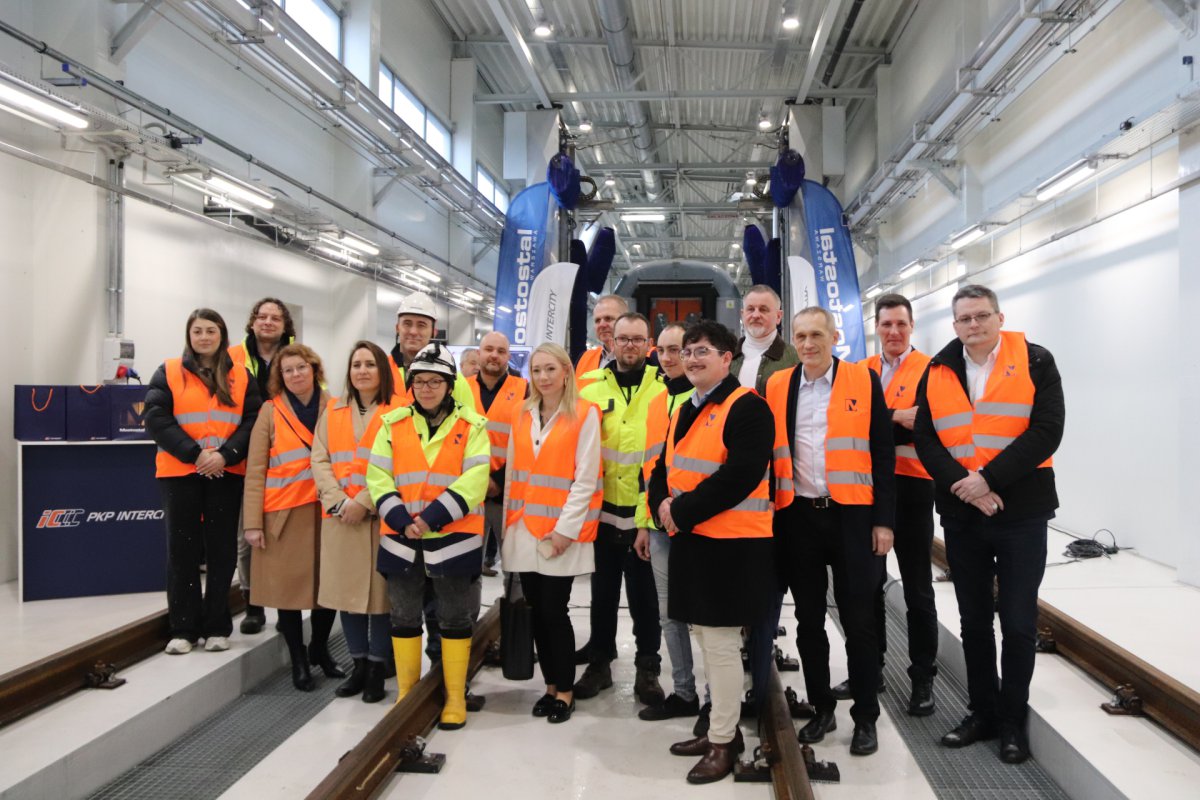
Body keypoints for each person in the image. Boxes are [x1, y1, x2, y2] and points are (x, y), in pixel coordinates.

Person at [913, 284, 1064, 764]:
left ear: (999, 317)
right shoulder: (937, 369)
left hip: (1021, 513)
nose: (973, 326)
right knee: (974, 621)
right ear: (954, 325)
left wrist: (989, 479)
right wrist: (966, 485)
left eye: (981, 316)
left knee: (1018, 624)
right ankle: (980, 712)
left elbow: (1047, 429)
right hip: (963, 514)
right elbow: (925, 437)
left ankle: (1011, 722)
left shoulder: (1036, 360)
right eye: (964, 319)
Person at [647, 320, 776, 784]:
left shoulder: (748, 408)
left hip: (732, 544)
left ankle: (723, 740)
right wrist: (660, 501)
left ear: (728, 358)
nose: (693, 358)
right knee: (704, 637)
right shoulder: (685, 408)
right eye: (688, 351)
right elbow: (664, 463)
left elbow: (740, 476)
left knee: (720, 646)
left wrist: (680, 511)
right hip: (693, 538)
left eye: (704, 351)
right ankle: (722, 728)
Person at [765, 306, 896, 756]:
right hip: (798, 516)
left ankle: (866, 717)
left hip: (852, 516)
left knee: (859, 621)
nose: (807, 344)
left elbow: (882, 452)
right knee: (807, 620)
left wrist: (884, 520)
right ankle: (822, 708)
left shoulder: (862, 380)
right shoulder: (778, 384)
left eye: (816, 334)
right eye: (800, 336)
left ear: (834, 335)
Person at [367, 342, 490, 728]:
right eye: (419, 381)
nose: (426, 388)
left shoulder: (473, 426)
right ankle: (408, 692)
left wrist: (432, 517)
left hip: (453, 536)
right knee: (403, 616)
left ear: (449, 384)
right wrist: (402, 518)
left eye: (435, 381)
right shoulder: (392, 423)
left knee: (454, 618)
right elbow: (377, 474)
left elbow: (476, 479)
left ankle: (454, 697)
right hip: (402, 536)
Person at [831, 293, 939, 716]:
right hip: (868, 490)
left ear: (912, 327)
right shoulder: (859, 371)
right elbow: (854, 426)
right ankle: (870, 670)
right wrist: (895, 417)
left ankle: (922, 678)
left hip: (913, 488)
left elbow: (927, 426)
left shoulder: (932, 370)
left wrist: (884, 419)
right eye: (887, 324)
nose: (894, 332)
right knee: (867, 587)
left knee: (917, 589)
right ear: (876, 327)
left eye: (901, 325)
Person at [146, 309, 261, 655]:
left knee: (222, 550)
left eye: (211, 330)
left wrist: (225, 455)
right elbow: (155, 417)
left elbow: (253, 419)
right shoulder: (167, 372)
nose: (204, 337)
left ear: (222, 335)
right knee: (181, 550)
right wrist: (195, 454)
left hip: (225, 473)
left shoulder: (241, 376)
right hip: (181, 472)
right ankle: (183, 628)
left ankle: (216, 627)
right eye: (198, 331)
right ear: (189, 335)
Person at [501, 343, 603, 725]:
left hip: (561, 532)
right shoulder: (521, 413)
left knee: (555, 611)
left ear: (566, 372)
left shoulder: (584, 414)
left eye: (550, 370)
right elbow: (513, 474)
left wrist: (565, 530)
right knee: (537, 614)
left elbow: (585, 478)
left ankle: (565, 689)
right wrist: (509, 525)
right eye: (537, 370)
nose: (543, 378)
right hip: (525, 529)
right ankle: (549, 685)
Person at [575, 312, 666, 706]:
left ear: (650, 344)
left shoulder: (663, 387)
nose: (629, 346)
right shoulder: (588, 387)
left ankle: (648, 667)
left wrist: (649, 516)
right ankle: (599, 663)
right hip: (603, 510)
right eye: (623, 338)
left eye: (637, 339)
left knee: (646, 596)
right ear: (611, 342)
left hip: (644, 513)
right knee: (602, 593)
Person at [243, 344, 344, 691]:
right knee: (287, 595)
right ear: (279, 377)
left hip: (327, 512)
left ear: (314, 368)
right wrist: (252, 523)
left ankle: (319, 649)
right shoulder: (269, 412)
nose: (295, 375)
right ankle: (299, 661)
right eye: (287, 370)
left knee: (327, 588)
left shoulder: (336, 406)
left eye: (301, 367)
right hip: (284, 516)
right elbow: (255, 469)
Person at [311, 341, 398, 704]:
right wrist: (339, 502)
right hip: (341, 518)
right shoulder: (332, 410)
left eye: (369, 364)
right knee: (347, 597)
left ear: (382, 370)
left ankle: (377, 667)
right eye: (356, 364)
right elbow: (320, 459)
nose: (362, 370)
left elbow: (400, 463)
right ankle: (358, 665)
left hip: (380, 517)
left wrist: (364, 501)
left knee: (380, 600)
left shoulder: (399, 411)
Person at [634, 323, 702, 724]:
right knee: (669, 614)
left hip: (701, 527)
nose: (669, 357)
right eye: (662, 350)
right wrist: (645, 522)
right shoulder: (656, 403)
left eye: (677, 349)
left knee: (709, 619)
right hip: (660, 526)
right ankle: (683, 691)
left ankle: (714, 696)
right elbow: (649, 469)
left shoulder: (711, 398)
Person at [230, 298, 296, 635]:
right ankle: (252, 603)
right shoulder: (233, 358)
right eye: (262, 316)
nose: (268, 322)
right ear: (252, 321)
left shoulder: (299, 357)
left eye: (276, 318)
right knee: (247, 536)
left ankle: (287, 605)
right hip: (243, 457)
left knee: (287, 537)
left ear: (286, 325)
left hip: (287, 460)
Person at [465, 332, 528, 577]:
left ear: (508, 357)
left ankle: (512, 616)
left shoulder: (525, 391)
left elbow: (528, 443)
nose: (494, 355)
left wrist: (498, 482)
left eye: (501, 351)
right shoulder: (460, 390)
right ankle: (467, 617)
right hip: (468, 492)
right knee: (466, 570)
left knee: (515, 572)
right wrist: (478, 480)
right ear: (479, 354)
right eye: (489, 349)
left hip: (507, 493)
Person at [388, 290, 474, 408]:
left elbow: (468, 423)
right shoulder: (380, 370)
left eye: (421, 325)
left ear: (434, 332)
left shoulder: (453, 378)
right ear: (397, 328)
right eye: (407, 324)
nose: (413, 331)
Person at [729, 285, 799, 394]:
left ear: (778, 317)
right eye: (751, 309)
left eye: (763, 309)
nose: (756, 315)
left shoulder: (795, 359)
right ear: (743, 315)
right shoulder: (726, 357)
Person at [575, 294, 628, 386]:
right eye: (597, 320)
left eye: (608, 318)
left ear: (626, 320)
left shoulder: (649, 357)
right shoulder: (584, 359)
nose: (602, 325)